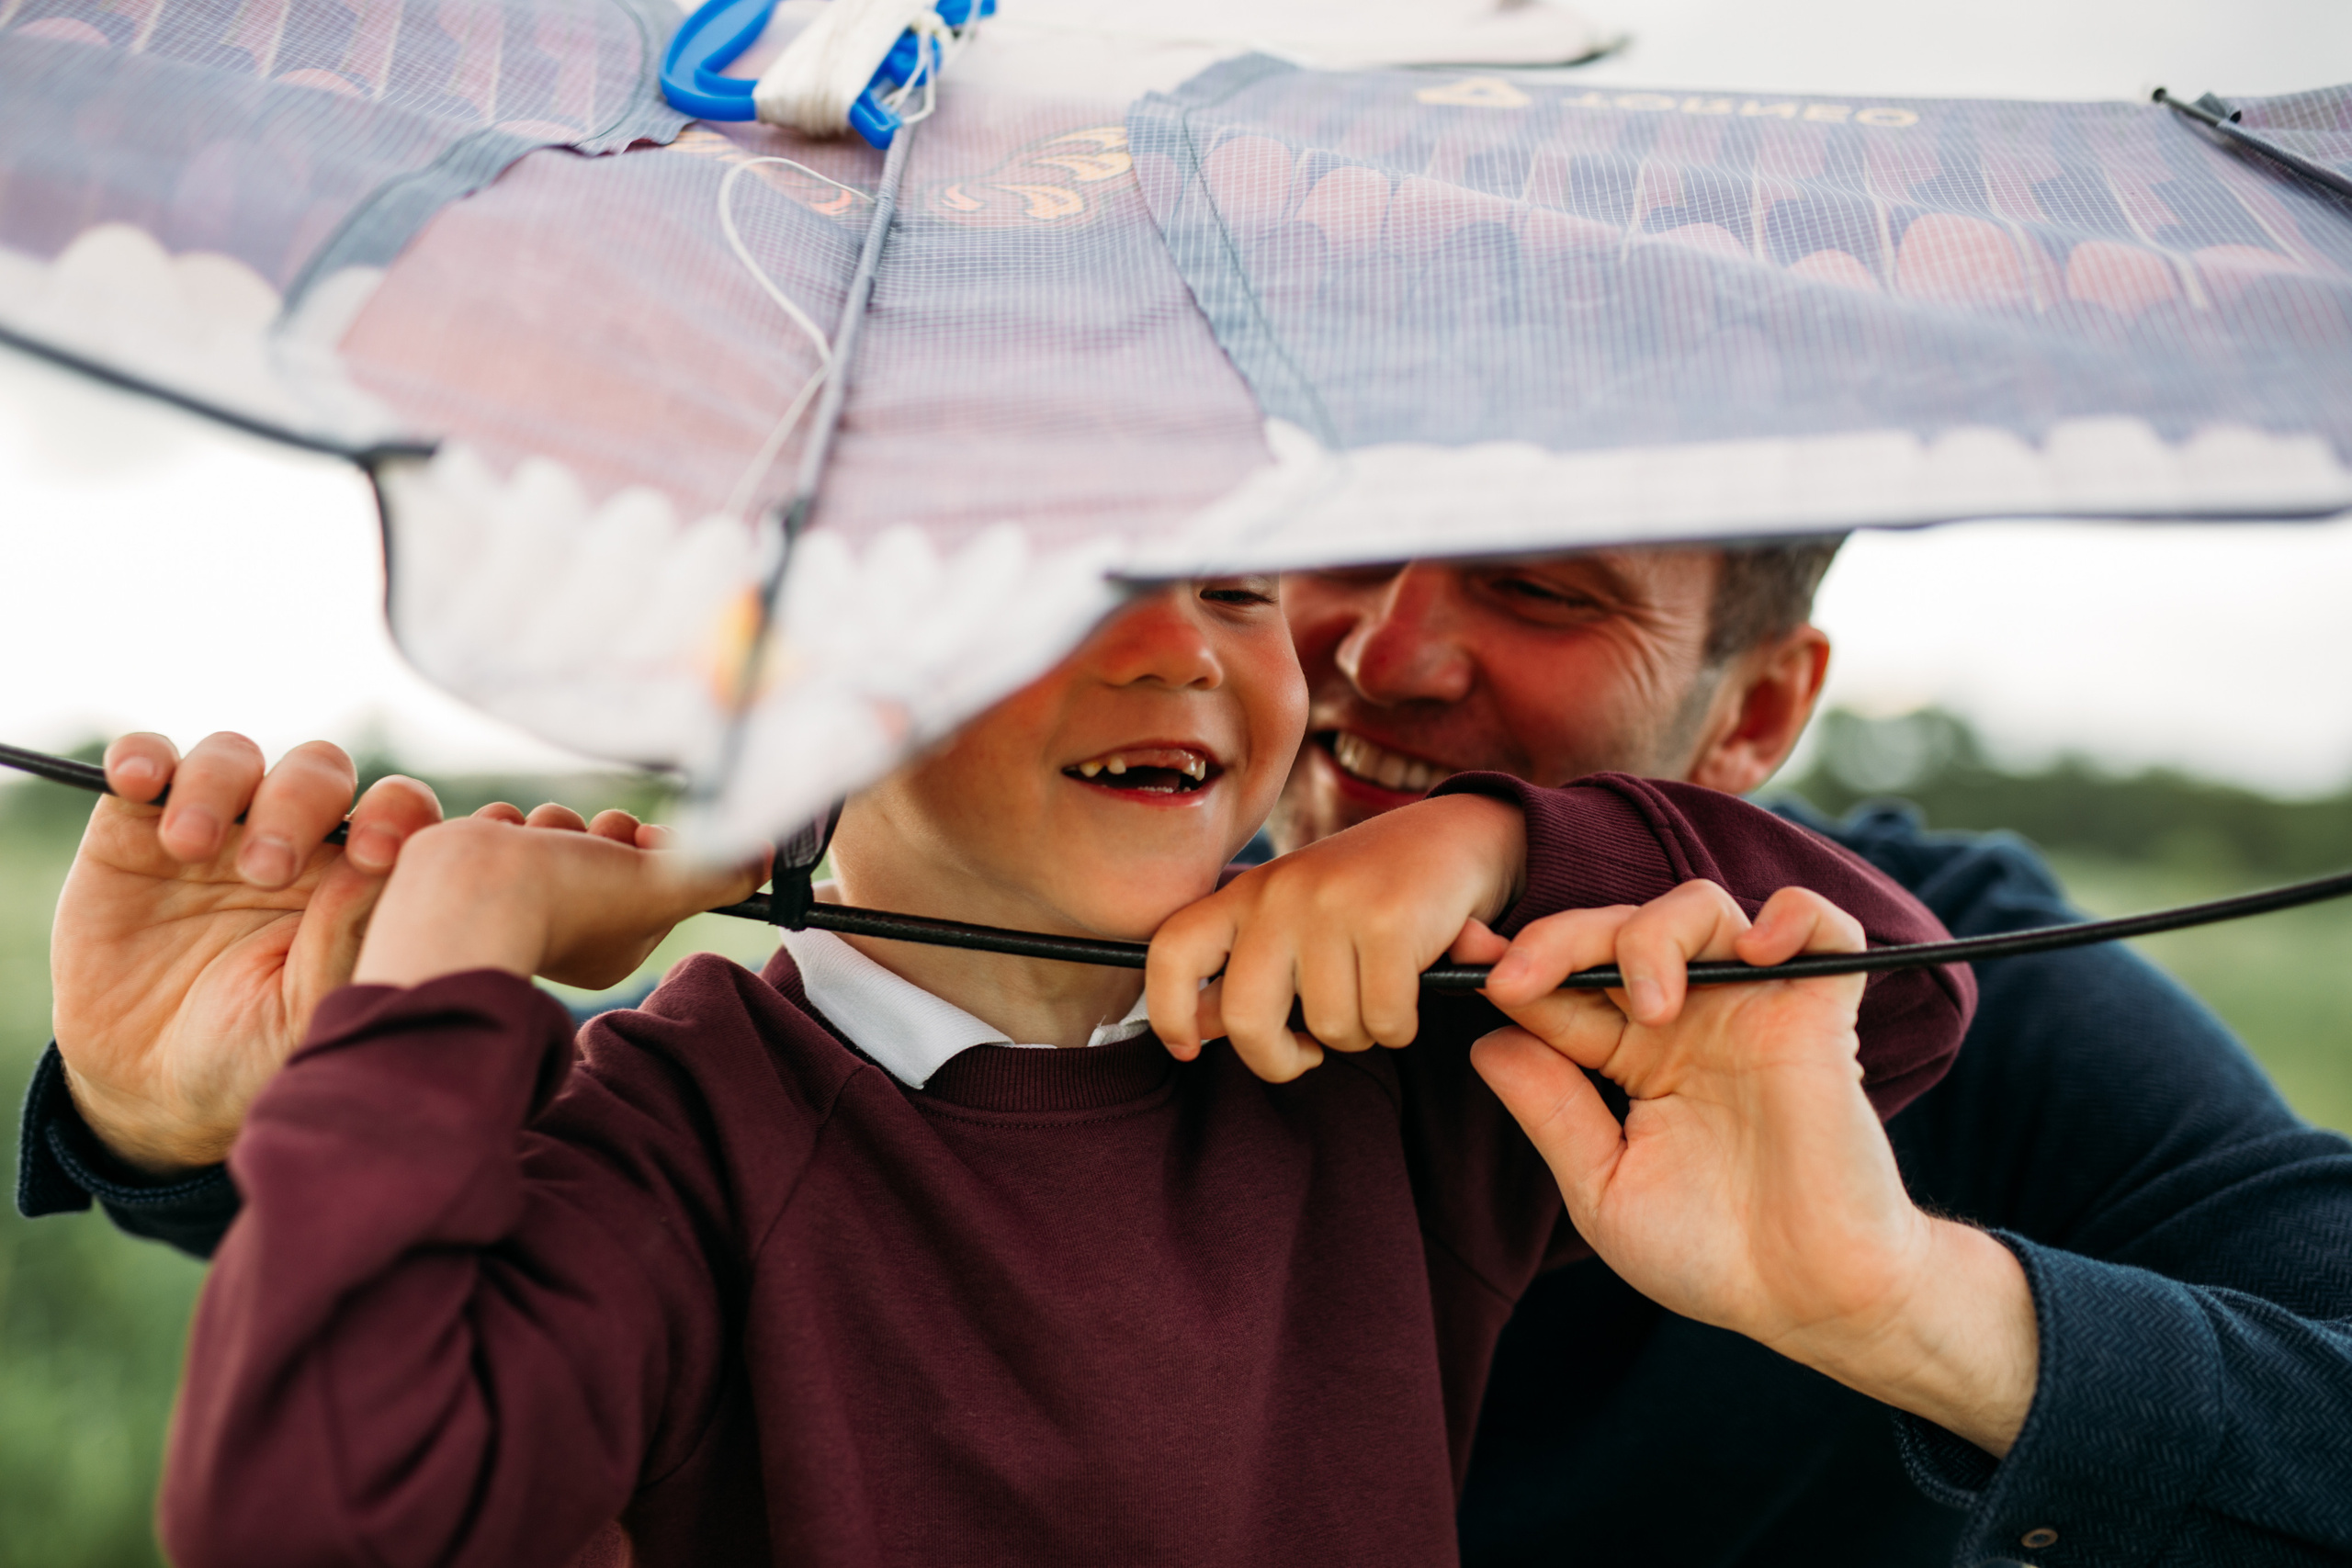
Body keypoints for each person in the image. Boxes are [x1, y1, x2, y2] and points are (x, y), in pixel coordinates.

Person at [21, 575, 1969, 1566]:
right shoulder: (665, 1135)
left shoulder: (1377, 1069)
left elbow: (1896, 1002)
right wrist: (459, 926)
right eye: (1044, 585)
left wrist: (1487, 844)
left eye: (1232, 583)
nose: (1175, 651)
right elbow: (317, 1517)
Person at [1277, 547, 2352, 1566]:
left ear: (1756, 710)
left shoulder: (1971, 966)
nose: (1384, 654)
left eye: (1537, 591)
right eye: (1355, 546)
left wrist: (1915, 1305)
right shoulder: (1128, 923)